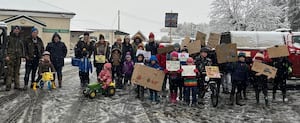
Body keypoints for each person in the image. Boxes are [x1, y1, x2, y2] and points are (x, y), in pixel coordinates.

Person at [5, 26, 25, 91]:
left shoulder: (21, 38)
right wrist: (6, 55)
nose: (16, 30)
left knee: (17, 72)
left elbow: (23, 48)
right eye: (15, 29)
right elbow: (5, 47)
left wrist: (23, 56)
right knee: (9, 72)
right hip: (10, 57)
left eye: (18, 29)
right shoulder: (9, 38)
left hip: (18, 57)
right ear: (13, 30)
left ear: (19, 31)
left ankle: (17, 85)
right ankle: (8, 86)